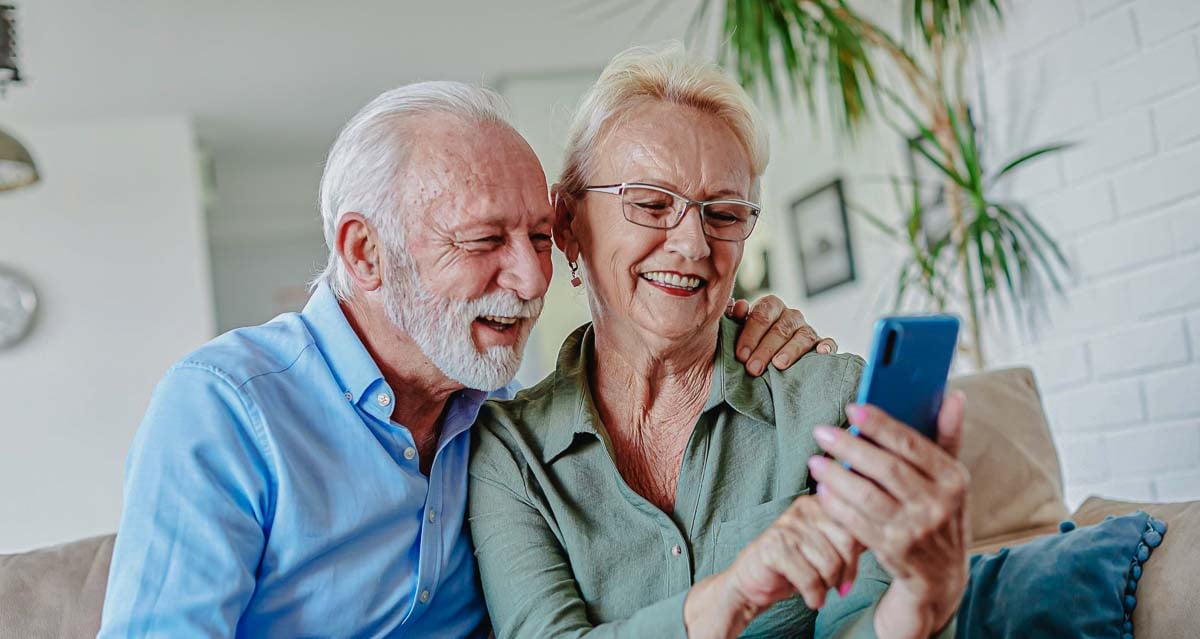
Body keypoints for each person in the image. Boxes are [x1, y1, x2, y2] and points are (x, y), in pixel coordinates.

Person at [98, 81, 837, 637]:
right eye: (484, 241)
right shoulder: (226, 410)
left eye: (541, 238)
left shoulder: (493, 418)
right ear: (365, 252)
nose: (529, 278)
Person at [468, 44, 970, 638]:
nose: (694, 245)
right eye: (652, 205)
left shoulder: (830, 400)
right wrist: (732, 595)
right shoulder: (511, 450)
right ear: (570, 224)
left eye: (725, 215)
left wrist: (925, 592)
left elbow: (859, 623)